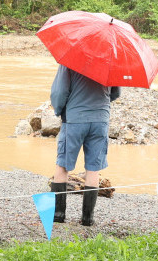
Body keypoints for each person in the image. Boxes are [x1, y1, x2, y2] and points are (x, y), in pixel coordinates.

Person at [49, 64, 121, 226]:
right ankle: (88, 218)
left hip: (74, 119)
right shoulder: (110, 61)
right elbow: (116, 93)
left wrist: (59, 110)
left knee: (63, 165)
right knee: (93, 168)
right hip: (100, 120)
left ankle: (58, 215)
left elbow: (59, 93)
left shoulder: (70, 61)